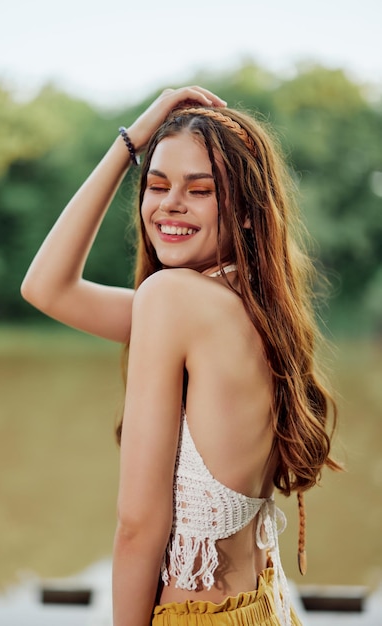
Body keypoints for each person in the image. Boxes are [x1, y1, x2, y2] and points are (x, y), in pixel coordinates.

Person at [21, 86, 341, 626]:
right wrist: (133, 142)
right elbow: (48, 288)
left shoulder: (173, 299)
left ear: (244, 209)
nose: (170, 203)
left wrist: (129, 141)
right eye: (157, 184)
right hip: (264, 606)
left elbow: (138, 526)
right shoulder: (253, 307)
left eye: (201, 190)